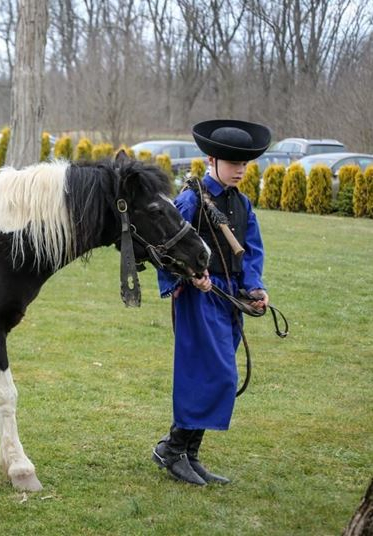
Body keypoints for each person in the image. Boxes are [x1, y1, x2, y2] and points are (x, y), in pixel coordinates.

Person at [152, 119, 272, 486]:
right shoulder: (190, 199)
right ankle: (173, 450)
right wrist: (186, 275)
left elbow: (251, 250)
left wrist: (253, 287)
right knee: (211, 372)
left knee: (217, 375)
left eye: (244, 164)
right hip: (198, 297)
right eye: (233, 163)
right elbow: (162, 246)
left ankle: (188, 454)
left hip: (228, 297)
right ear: (211, 160)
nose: (240, 170)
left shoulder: (242, 202)